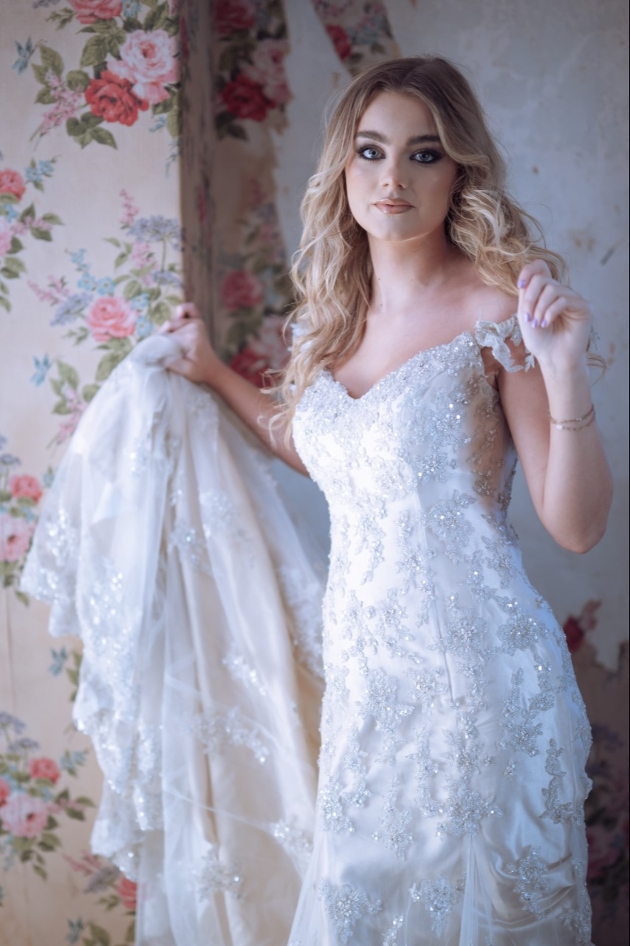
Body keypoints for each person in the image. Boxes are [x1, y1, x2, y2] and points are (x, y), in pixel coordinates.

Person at [161, 57, 611, 946]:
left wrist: (561, 369)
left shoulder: (496, 311)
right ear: (344, 166)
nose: (392, 178)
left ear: (460, 172)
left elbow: (577, 524)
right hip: (370, 690)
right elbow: (322, 448)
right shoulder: (329, 323)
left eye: (424, 154)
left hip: (479, 686)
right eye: (371, 152)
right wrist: (212, 372)